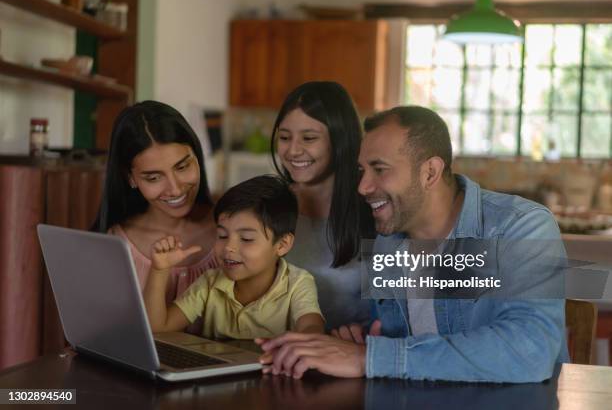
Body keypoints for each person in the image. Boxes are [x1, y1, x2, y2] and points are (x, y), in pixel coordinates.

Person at [258, 106, 568, 382]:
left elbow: (531, 350)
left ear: (429, 172)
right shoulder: (387, 242)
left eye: (380, 169)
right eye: (362, 171)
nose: (363, 187)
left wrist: (369, 358)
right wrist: (361, 339)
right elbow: (396, 335)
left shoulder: (521, 226)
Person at [144, 175, 325, 339]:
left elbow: (311, 327)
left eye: (246, 239)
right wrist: (159, 270)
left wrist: (305, 339)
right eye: (222, 236)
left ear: (282, 244)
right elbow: (158, 328)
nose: (229, 247)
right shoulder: (209, 283)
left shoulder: (298, 283)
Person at [271, 81, 375, 330]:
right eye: (285, 137)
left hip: (352, 358)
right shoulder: (267, 207)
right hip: (278, 354)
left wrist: (371, 335)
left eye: (309, 138)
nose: (293, 150)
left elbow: (403, 310)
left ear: (340, 140)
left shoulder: (377, 211)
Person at [92, 101, 218, 302]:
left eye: (183, 167)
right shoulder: (115, 245)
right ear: (130, 178)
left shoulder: (232, 227)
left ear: (196, 156)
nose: (175, 189)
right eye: (153, 178)